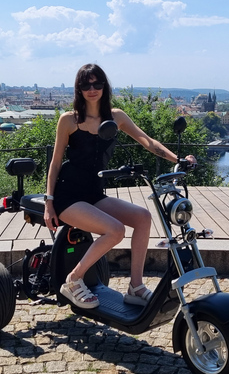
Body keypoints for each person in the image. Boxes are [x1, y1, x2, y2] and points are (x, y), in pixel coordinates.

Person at [44, 63, 197, 309]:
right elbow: (55, 162)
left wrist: (177, 160)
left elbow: (148, 142)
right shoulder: (69, 120)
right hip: (68, 195)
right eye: (86, 84)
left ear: (104, 86)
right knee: (115, 230)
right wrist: (48, 202)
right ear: (79, 89)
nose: (92, 89)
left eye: (97, 84)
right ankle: (73, 280)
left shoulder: (117, 117)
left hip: (93, 193)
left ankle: (135, 287)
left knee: (143, 217)